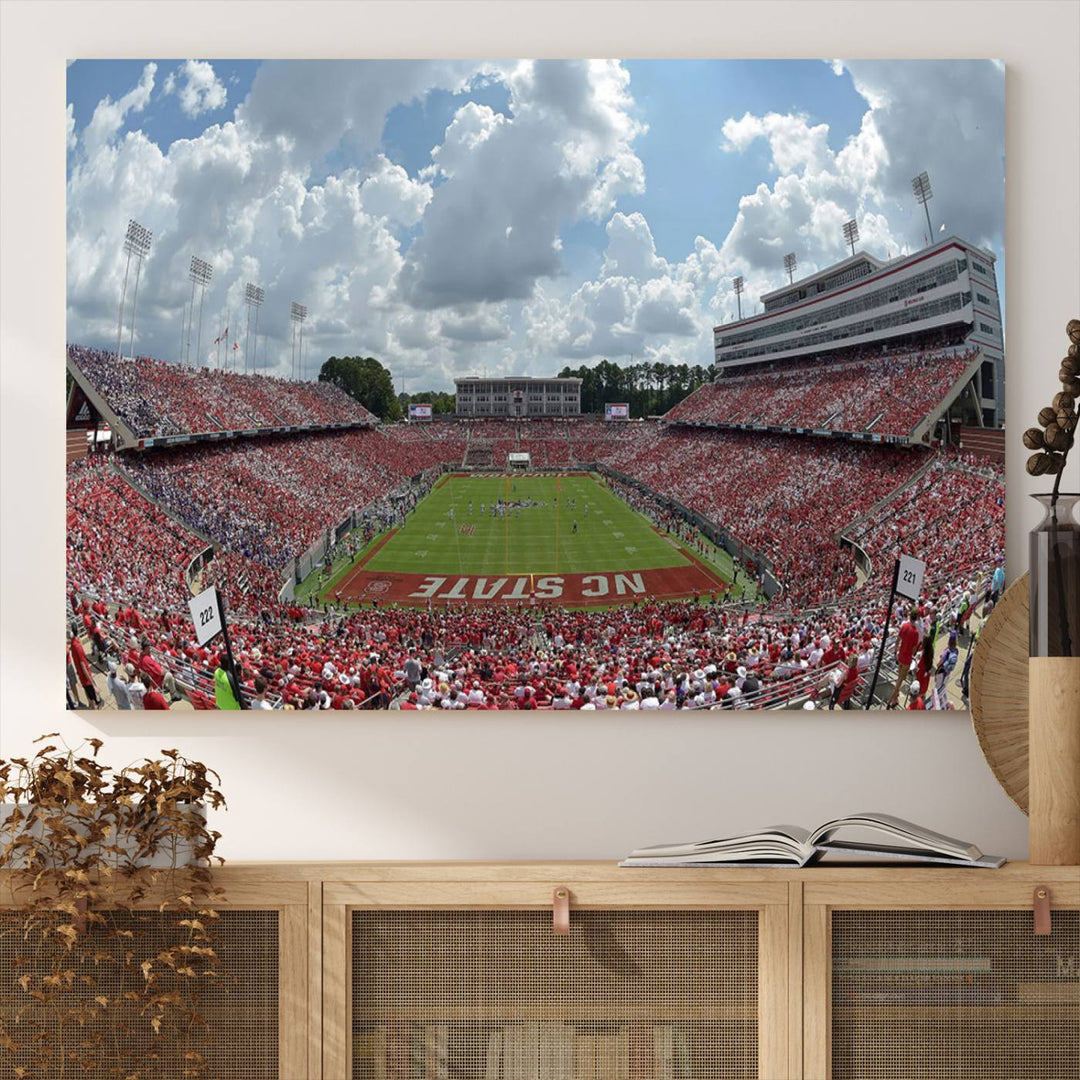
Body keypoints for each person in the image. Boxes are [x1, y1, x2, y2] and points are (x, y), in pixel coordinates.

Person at [887, 607, 921, 709]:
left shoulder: (904, 626)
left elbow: (897, 641)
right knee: (899, 683)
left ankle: (895, 698)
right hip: (906, 659)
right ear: (917, 618)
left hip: (900, 656)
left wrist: (895, 653)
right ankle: (890, 702)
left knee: (899, 679)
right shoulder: (915, 632)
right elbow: (914, 650)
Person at [68, 630, 102, 709]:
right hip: (86, 679)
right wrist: (93, 685)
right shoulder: (78, 646)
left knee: (90, 699)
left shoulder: (73, 645)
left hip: (83, 678)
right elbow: (83, 666)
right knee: (95, 702)